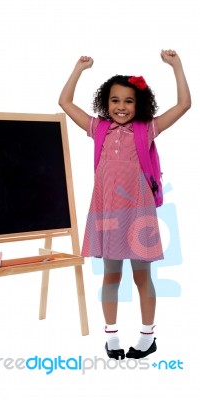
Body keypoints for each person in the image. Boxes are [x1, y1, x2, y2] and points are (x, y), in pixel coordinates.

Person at [59, 50, 191, 359]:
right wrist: (79, 69)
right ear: (106, 103)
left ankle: (147, 337)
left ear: (139, 104)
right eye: (115, 100)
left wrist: (177, 66)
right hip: (107, 214)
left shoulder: (147, 130)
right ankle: (111, 337)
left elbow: (184, 104)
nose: (121, 107)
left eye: (128, 101)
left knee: (142, 276)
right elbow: (64, 102)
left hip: (138, 215)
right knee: (110, 276)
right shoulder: (98, 129)